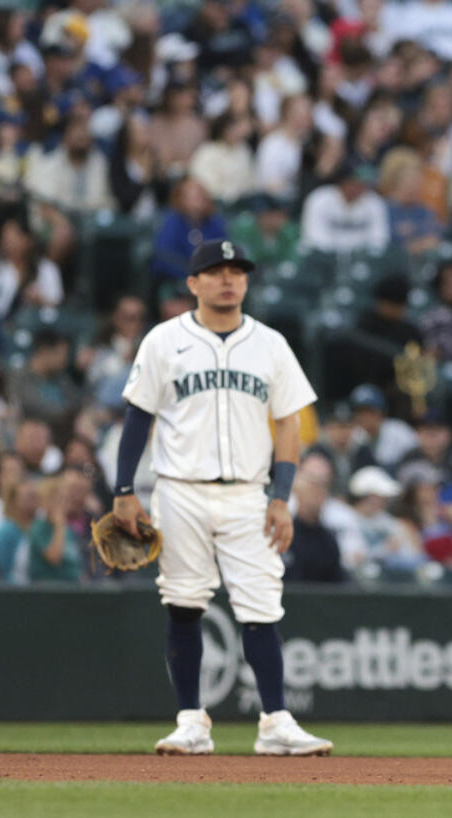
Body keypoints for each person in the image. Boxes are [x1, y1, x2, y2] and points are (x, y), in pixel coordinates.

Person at [111, 239, 331, 756]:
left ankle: (275, 721)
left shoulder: (271, 344)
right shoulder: (164, 341)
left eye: (236, 271)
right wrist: (123, 490)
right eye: (215, 271)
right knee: (184, 604)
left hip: (250, 495)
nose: (227, 279)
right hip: (180, 489)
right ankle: (191, 721)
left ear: (247, 282)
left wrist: (282, 496)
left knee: (261, 607)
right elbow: (137, 415)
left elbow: (288, 424)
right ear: (193, 283)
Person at [300, 161, 389, 253]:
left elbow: (378, 239)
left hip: (360, 260)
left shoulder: (374, 202)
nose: (361, 187)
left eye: (365, 183)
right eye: (356, 183)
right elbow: (315, 238)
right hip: (321, 259)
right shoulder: (320, 199)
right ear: (344, 181)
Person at [287, 453, 347, 583]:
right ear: (296, 484)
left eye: (324, 484)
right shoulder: (278, 533)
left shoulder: (329, 542)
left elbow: (340, 586)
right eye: (312, 483)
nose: (318, 491)